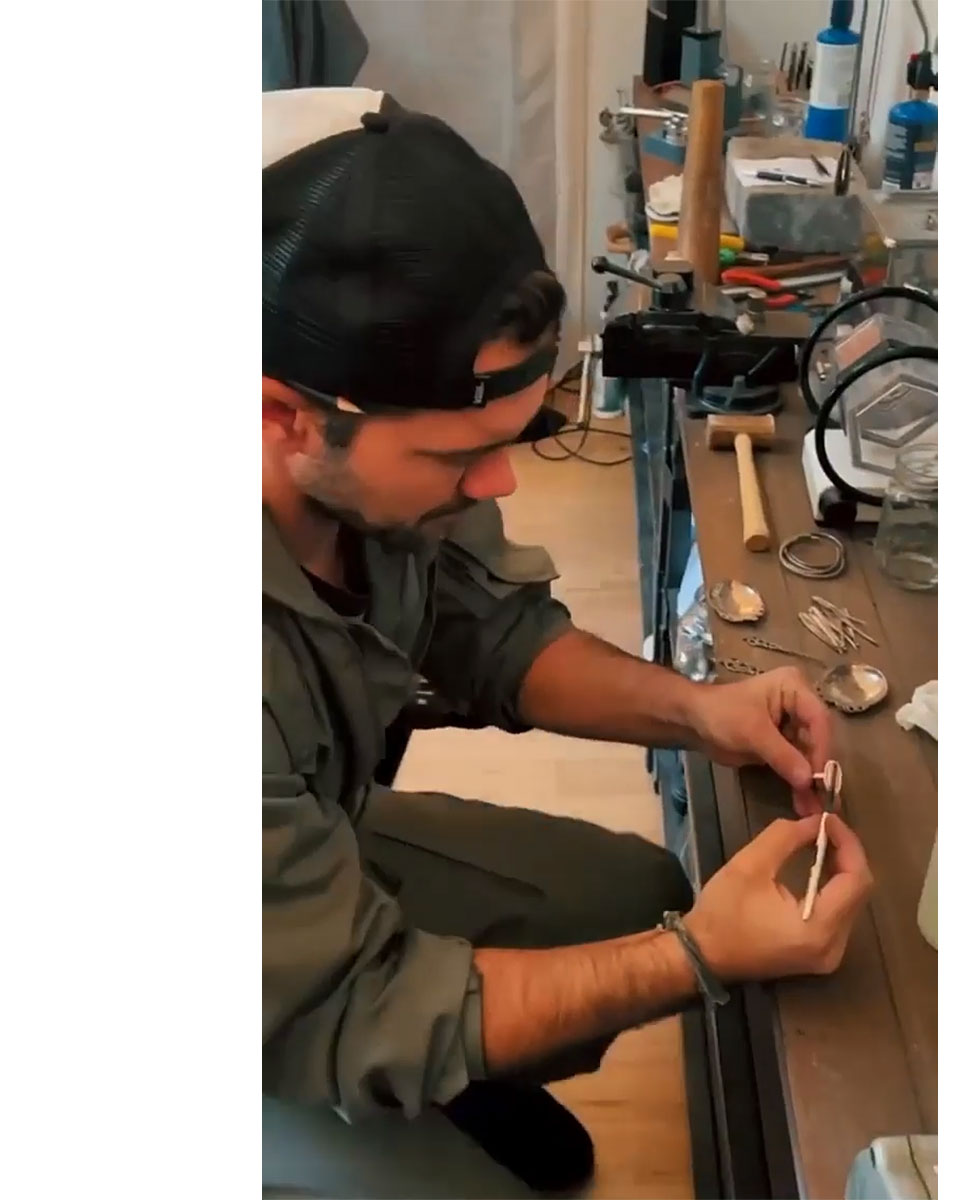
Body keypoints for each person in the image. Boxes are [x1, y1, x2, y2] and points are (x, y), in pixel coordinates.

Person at [262, 88, 874, 1199]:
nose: (498, 483)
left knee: (631, 888)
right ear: (282, 416)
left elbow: (487, 624)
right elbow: (345, 1005)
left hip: (297, 845)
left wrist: (699, 710)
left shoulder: (358, 465)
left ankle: (447, 1068)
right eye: (459, 456)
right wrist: (697, 960)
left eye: (513, 438)